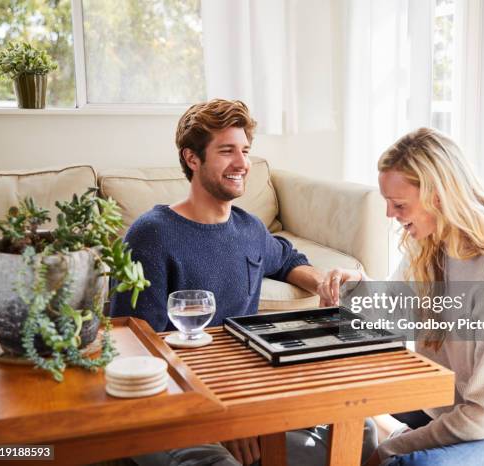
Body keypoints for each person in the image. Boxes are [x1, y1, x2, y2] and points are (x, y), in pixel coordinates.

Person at [111, 99, 377, 466]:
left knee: (357, 432)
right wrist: (222, 420)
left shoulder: (248, 228)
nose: (242, 163)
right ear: (192, 159)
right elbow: (136, 349)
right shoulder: (151, 236)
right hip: (171, 408)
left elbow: (286, 260)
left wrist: (324, 283)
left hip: (242, 393)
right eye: (226, 151)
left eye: (245, 150)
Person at [317, 128, 484, 466]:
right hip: (443, 405)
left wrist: (391, 448)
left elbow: (482, 417)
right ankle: (385, 430)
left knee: (409, 464)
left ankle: (387, 433)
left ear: (439, 198)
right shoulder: (429, 245)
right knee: (342, 393)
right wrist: (355, 286)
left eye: (399, 204)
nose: (390, 215)